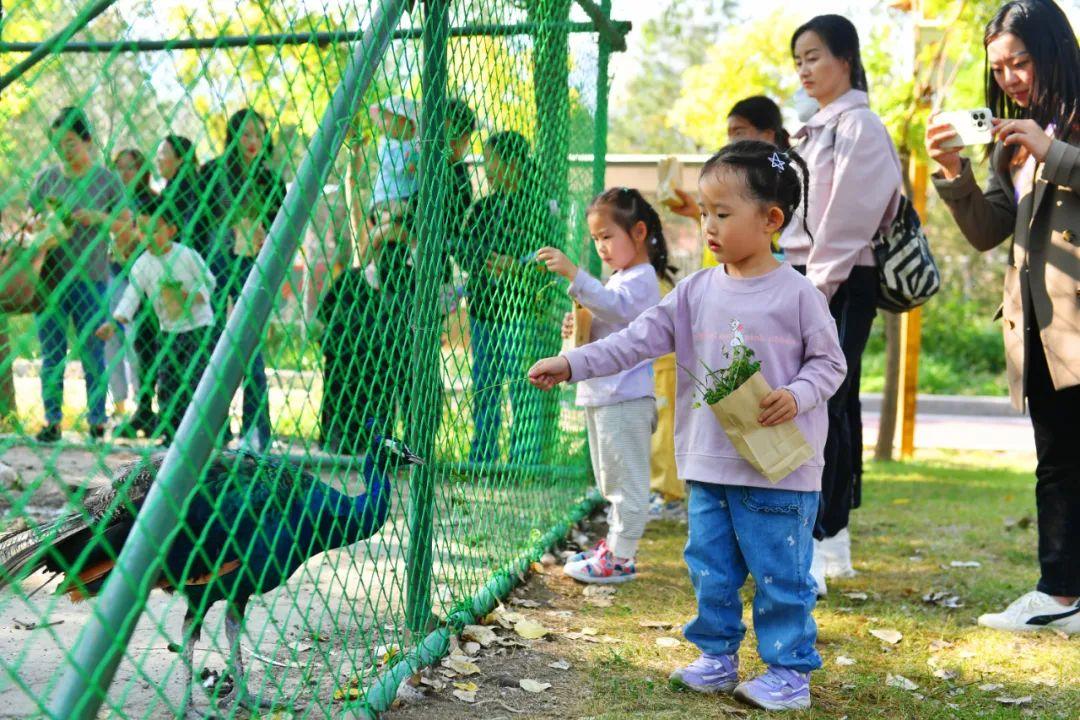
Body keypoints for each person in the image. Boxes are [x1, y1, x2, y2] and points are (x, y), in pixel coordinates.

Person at [528, 141, 846, 711]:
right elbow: (634, 340)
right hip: (708, 463)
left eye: (723, 213)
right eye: (704, 212)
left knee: (781, 574)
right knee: (711, 568)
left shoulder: (799, 294)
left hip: (780, 472)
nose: (709, 225)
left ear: (771, 220)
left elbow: (830, 364)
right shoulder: (695, 292)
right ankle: (717, 657)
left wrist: (797, 395)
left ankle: (789, 672)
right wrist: (573, 362)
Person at [926, 0, 1080, 634]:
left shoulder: (1052, 132)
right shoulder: (1011, 142)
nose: (1012, 77)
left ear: (1054, 51)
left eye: (1021, 60)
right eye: (1000, 68)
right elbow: (990, 231)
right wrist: (953, 171)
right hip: (1040, 322)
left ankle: (1059, 591)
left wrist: (1055, 151)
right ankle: (1060, 591)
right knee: (1059, 455)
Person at [786, 15, 903, 594]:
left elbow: (852, 216)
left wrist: (815, 287)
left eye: (814, 56)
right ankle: (825, 539)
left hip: (836, 280)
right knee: (823, 406)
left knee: (824, 406)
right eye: (798, 60)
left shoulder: (860, 126)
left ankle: (822, 539)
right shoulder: (813, 127)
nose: (805, 70)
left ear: (847, 58)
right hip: (808, 277)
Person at [535, 187, 673, 583]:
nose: (601, 247)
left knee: (625, 482)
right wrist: (580, 327)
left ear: (639, 232)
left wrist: (574, 274)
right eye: (595, 240)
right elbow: (609, 319)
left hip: (625, 397)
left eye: (607, 236)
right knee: (609, 478)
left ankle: (622, 557)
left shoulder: (643, 278)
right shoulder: (620, 278)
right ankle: (614, 548)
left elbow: (617, 309)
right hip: (605, 395)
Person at [28, 107, 128, 443]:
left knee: (92, 351)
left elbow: (125, 223)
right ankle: (52, 421)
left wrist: (97, 218)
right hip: (50, 278)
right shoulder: (46, 179)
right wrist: (45, 225)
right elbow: (29, 222)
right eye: (57, 143)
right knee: (51, 352)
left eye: (70, 142)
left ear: (86, 140)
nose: (64, 149)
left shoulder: (106, 180)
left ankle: (97, 421)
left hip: (92, 276)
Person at [460, 131, 548, 465]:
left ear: (513, 163)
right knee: (485, 386)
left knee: (524, 385)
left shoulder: (537, 208)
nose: (486, 168)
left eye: (491, 160)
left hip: (521, 312)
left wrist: (517, 268)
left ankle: (524, 459)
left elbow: (549, 256)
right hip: (484, 309)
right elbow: (465, 249)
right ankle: (482, 456)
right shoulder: (483, 208)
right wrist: (484, 262)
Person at [95, 201, 215, 444]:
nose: (148, 236)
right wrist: (115, 321)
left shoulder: (186, 255)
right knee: (168, 382)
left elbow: (209, 283)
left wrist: (188, 296)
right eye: (142, 230)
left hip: (198, 328)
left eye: (155, 230)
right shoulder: (142, 265)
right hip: (169, 330)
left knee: (196, 380)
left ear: (170, 230)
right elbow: (132, 296)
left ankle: (200, 435)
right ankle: (172, 434)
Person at [200, 109, 284, 451]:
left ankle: (256, 432)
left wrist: (267, 235)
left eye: (258, 134)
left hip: (253, 267)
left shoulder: (271, 180)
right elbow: (200, 223)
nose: (252, 141)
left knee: (250, 348)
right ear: (232, 137)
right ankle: (213, 430)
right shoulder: (212, 173)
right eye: (245, 134)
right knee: (214, 344)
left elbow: (282, 226)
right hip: (217, 266)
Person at [109, 148, 158, 438]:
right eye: (121, 168)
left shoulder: (150, 200)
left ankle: (143, 405)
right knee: (111, 341)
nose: (125, 173)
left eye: (131, 167)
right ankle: (118, 404)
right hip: (113, 273)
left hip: (141, 277)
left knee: (135, 344)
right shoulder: (111, 199)